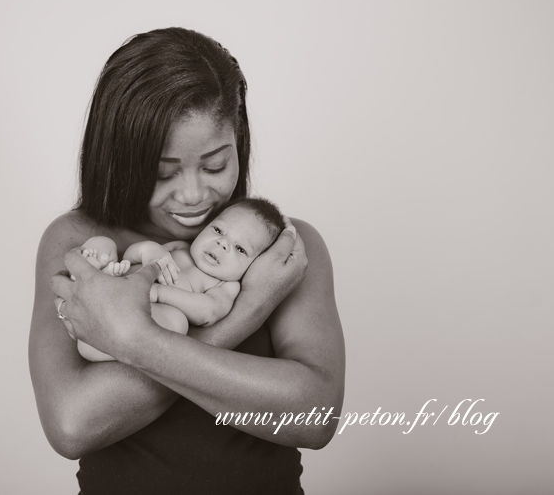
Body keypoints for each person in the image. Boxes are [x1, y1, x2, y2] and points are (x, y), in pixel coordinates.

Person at [29, 27, 345, 495]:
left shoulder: (282, 249)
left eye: (217, 165)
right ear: (119, 157)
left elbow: (315, 417)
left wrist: (133, 338)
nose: (195, 195)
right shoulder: (79, 240)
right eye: (162, 172)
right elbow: (73, 424)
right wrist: (248, 310)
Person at [75, 197, 287, 362]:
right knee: (103, 244)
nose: (222, 243)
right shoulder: (180, 247)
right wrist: (148, 251)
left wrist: (160, 293)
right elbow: (131, 256)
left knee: (177, 323)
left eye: (240, 249)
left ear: (255, 266)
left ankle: (101, 341)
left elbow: (208, 311)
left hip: (144, 312)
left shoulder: (225, 285)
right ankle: (92, 270)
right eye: (218, 230)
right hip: (117, 281)